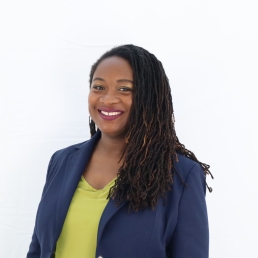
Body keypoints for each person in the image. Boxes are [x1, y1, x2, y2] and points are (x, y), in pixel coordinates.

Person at [27, 44, 213, 258]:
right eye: (99, 87)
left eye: (124, 89)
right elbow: (38, 248)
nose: (108, 99)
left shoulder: (181, 175)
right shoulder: (62, 161)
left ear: (149, 98)